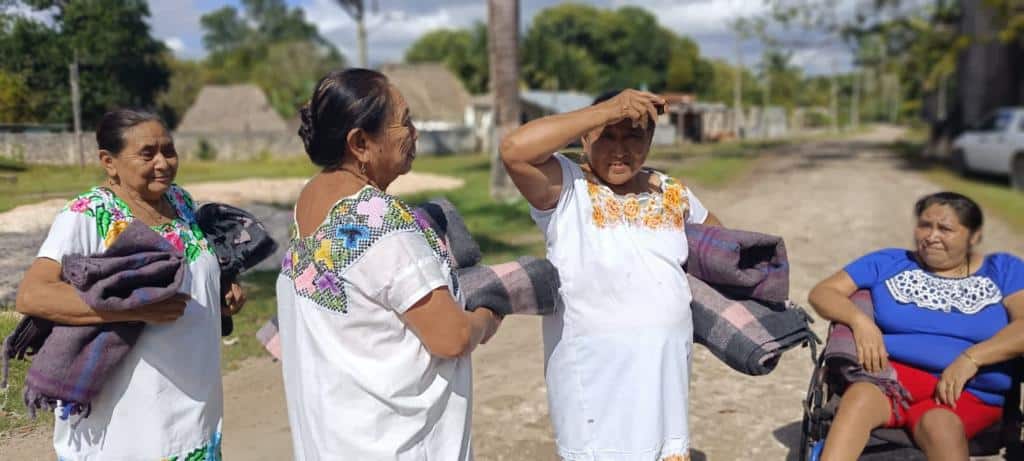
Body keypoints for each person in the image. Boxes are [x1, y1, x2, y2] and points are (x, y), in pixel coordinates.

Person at [276, 68, 502, 460]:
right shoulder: (381, 221)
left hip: (335, 442)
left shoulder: (310, 200)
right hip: (396, 445)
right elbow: (453, 338)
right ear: (360, 142)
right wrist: (490, 308)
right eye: (405, 121)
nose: (414, 132)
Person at [500, 88, 723, 461]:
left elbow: (723, 250)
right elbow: (514, 149)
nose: (620, 150)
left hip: (663, 375)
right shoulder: (568, 187)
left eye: (634, 136)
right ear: (585, 137)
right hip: (595, 376)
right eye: (607, 135)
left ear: (650, 140)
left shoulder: (671, 192)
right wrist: (608, 109)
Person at [15, 109, 244, 460]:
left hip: (194, 407)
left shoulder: (180, 202)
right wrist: (134, 307)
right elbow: (34, 294)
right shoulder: (88, 213)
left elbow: (193, 274)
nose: (164, 163)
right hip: (125, 422)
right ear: (109, 162)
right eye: (147, 154)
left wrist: (219, 291)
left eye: (168, 151)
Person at [808, 192, 1024, 461]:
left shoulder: (1004, 269)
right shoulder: (889, 262)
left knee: (940, 426)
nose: (931, 236)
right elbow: (823, 292)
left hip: (967, 390)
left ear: (974, 236)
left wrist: (973, 357)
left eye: (945, 228)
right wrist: (860, 321)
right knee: (859, 397)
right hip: (893, 381)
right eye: (925, 225)